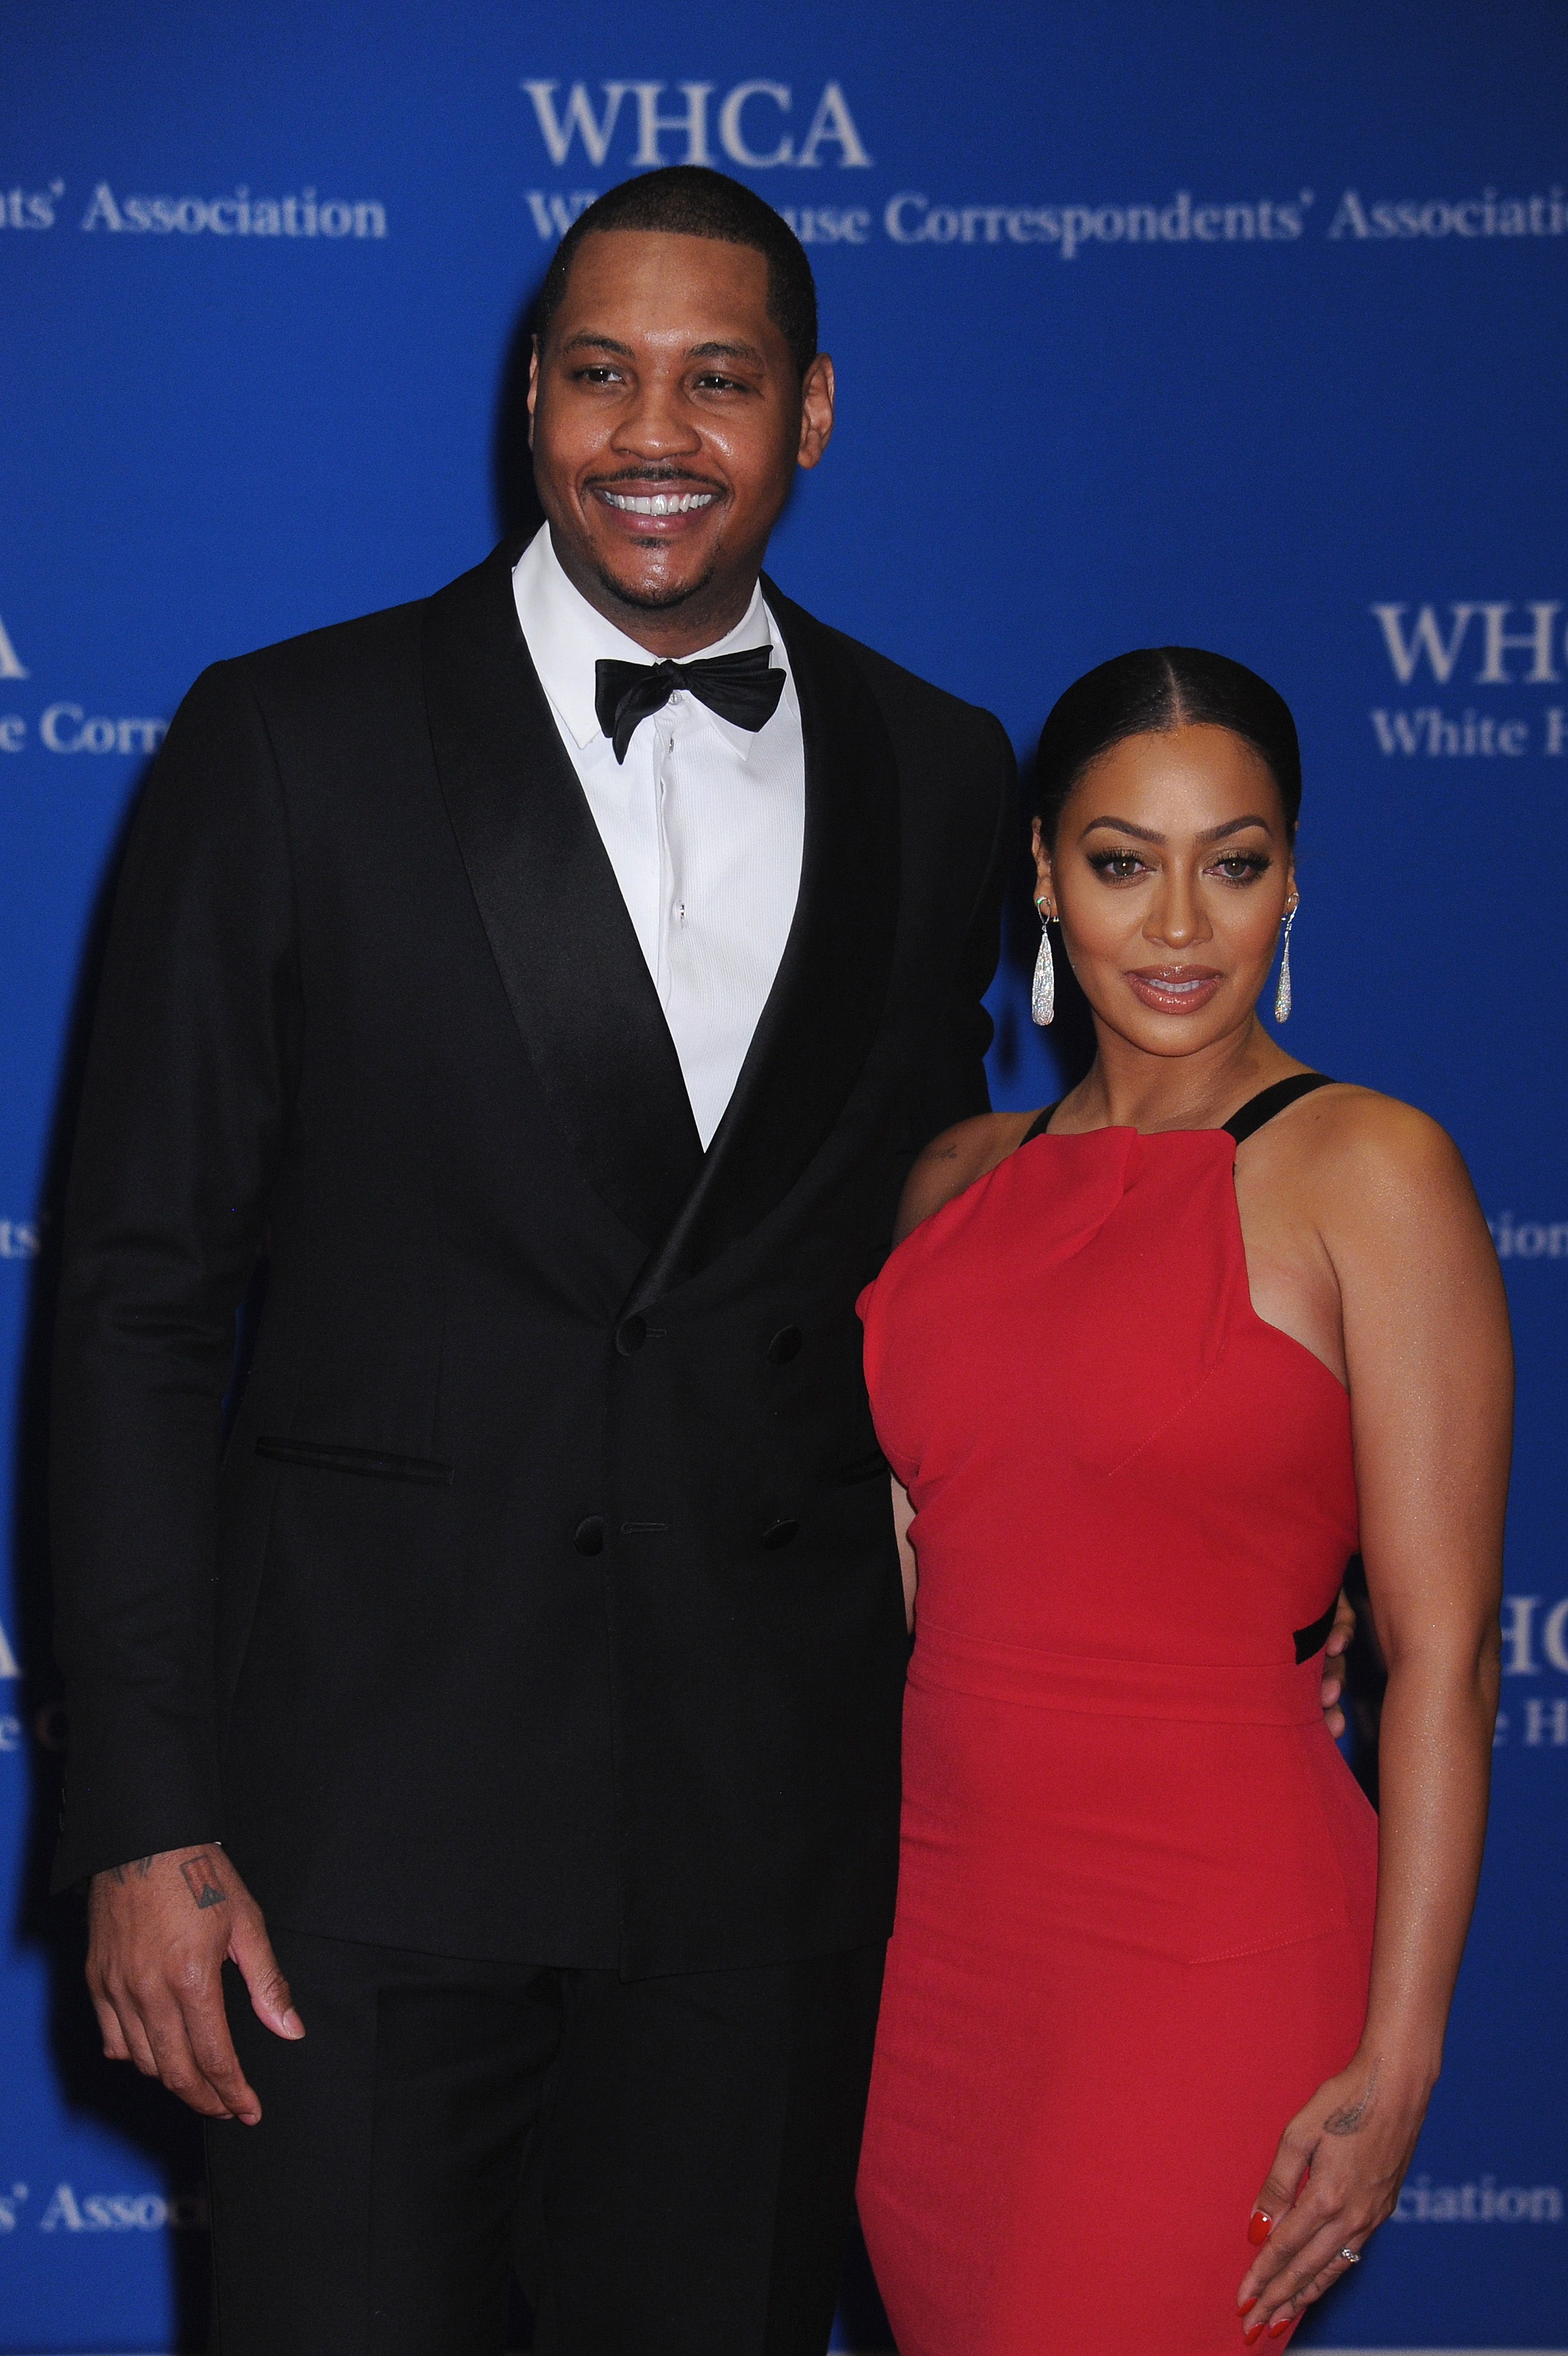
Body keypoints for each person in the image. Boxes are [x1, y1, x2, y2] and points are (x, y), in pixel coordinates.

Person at [49, 167, 1019, 2354]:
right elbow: (128, 1302)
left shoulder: (940, 772)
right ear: (528, 398)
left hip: (763, 1847)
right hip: (353, 1843)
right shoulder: (286, 743)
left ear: (814, 413)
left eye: (715, 379)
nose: (649, 432)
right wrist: (144, 1815)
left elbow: (952, 1266)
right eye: (598, 373)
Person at [853, 648, 1510, 2353]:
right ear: (1043, 875)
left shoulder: (1369, 1166)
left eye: (1230, 861)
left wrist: (1398, 2060)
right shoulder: (950, 1179)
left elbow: (1439, 1655)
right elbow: (937, 1554)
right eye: (1119, 859)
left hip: (1206, 1946)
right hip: (937, 1951)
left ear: (1290, 879)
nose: (1174, 923)